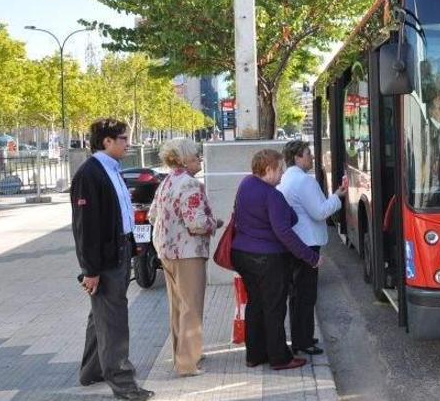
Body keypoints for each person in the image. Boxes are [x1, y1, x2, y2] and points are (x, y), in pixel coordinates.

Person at [71, 118, 154, 400]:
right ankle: (124, 385)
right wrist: (90, 270)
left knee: (102, 317)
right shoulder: (90, 174)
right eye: (123, 138)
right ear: (107, 141)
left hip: (118, 253)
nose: (128, 143)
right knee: (114, 322)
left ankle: (91, 371)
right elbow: (86, 228)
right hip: (105, 261)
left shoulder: (111, 169)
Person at [230, 149, 321, 370]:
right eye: (279, 170)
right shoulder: (272, 195)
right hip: (268, 259)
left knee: (256, 305)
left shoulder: (246, 184)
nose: (281, 175)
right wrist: (310, 257)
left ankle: (255, 355)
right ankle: (280, 357)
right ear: (268, 169)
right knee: (274, 308)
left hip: (242, 254)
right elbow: (286, 230)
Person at [147, 138, 222, 377]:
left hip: (166, 251)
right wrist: (214, 223)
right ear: (184, 159)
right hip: (188, 253)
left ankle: (181, 353)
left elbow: (152, 216)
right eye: (195, 155)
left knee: (178, 306)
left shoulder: (166, 182)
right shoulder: (190, 184)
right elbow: (197, 223)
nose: (199, 159)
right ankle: (188, 362)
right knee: (192, 306)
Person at [277, 140, 347, 356]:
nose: (312, 157)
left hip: (293, 244)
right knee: (306, 295)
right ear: (297, 157)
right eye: (308, 153)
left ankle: (301, 336)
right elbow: (320, 212)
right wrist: (338, 196)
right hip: (308, 244)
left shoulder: (286, 178)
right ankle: (304, 341)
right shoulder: (304, 182)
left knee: (296, 295)